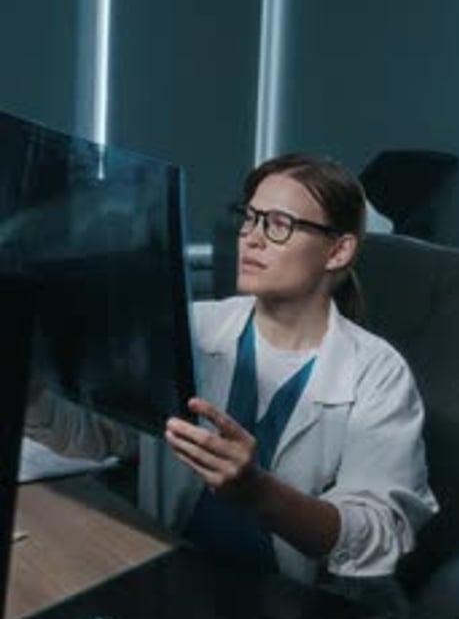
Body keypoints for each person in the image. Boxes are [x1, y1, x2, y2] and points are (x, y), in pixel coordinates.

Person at [26, 152, 437, 587]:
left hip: (291, 609)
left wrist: (261, 493)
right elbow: (101, 434)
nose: (251, 238)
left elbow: (379, 537)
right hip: (169, 581)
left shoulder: (378, 374)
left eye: (278, 224)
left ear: (338, 250)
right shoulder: (192, 327)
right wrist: (29, 389)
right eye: (250, 217)